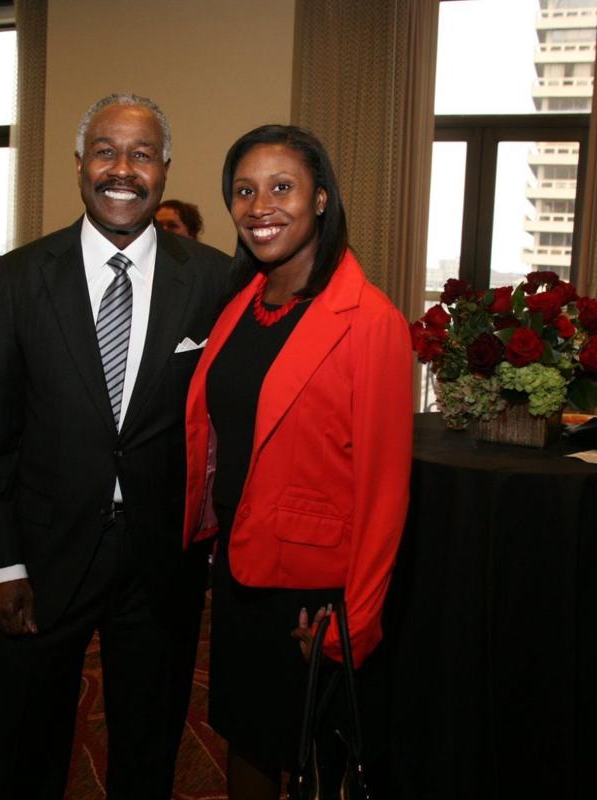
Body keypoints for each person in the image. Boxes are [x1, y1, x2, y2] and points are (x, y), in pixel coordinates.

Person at [0, 92, 229, 799]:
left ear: (166, 170)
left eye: (141, 154)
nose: (123, 169)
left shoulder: (212, 276)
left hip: (160, 562)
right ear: (80, 164)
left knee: (148, 745)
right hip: (43, 553)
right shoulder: (21, 276)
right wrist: (0, 564)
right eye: (107, 151)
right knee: (26, 741)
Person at [182, 125, 413, 799]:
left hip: (313, 595)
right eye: (244, 191)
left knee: (315, 758)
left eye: (282, 187)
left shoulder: (369, 322)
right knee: (247, 736)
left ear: (320, 200)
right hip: (239, 566)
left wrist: (357, 617)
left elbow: (384, 488)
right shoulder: (241, 305)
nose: (261, 206)